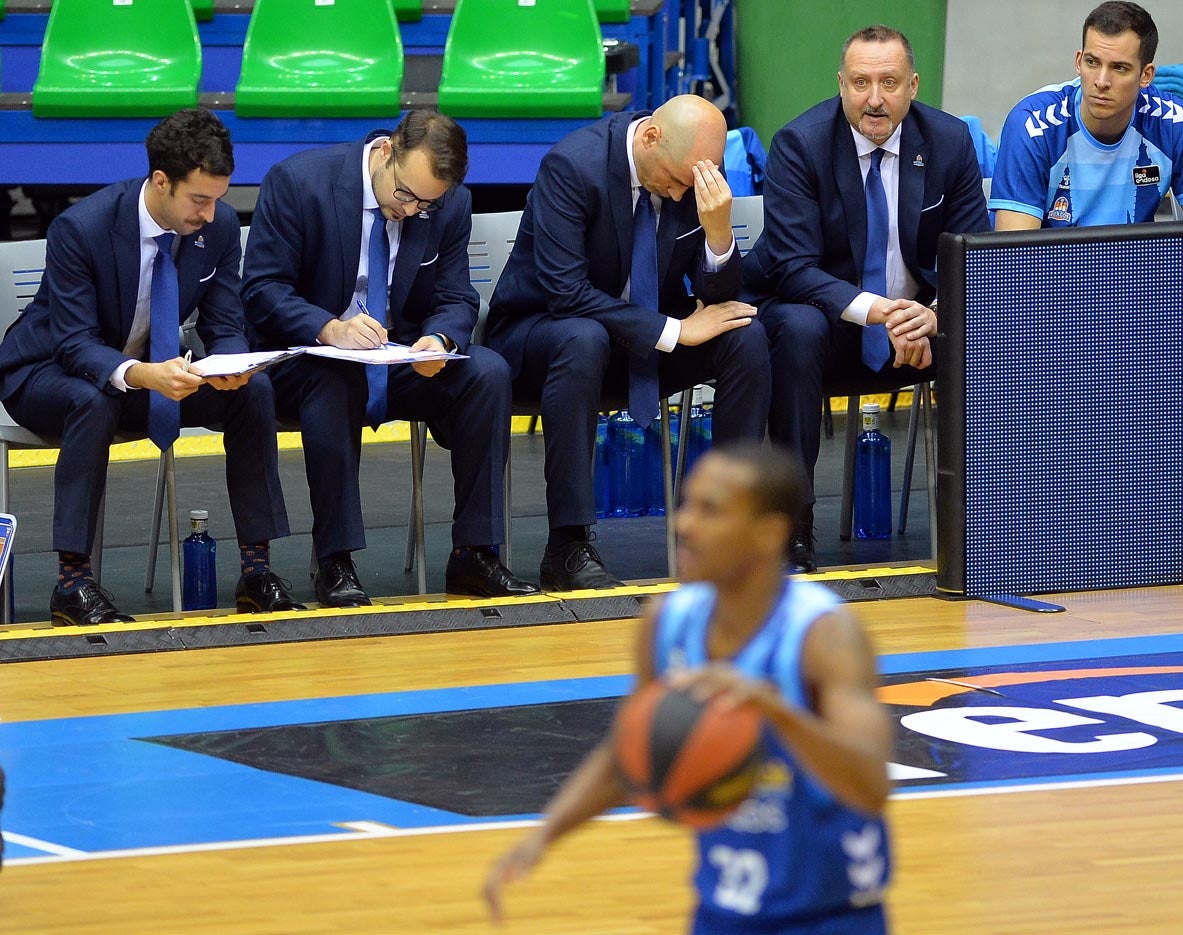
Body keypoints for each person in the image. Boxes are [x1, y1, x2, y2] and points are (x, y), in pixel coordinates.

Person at [484, 442, 894, 933]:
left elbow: (871, 786)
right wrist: (545, 834)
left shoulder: (823, 635)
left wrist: (775, 710)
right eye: (686, 506)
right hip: (720, 912)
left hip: (830, 917)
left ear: (769, 533)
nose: (685, 525)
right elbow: (629, 750)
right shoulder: (667, 622)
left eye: (710, 510)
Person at [0, 108, 303, 625]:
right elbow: (74, 343)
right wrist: (144, 374)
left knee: (255, 393)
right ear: (161, 181)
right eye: (199, 199)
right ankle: (71, 582)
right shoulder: (81, 227)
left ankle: (256, 570)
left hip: (146, 371)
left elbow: (225, 320)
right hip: (45, 370)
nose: (210, 214)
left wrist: (231, 364)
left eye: (219, 199)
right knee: (91, 401)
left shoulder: (221, 226)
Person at [242, 111, 538, 605]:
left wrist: (440, 340)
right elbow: (262, 289)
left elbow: (457, 296)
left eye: (426, 203)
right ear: (385, 153)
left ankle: (476, 552)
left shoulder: (448, 204)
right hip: (310, 357)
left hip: (395, 356)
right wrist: (329, 328)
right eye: (404, 194)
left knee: (487, 372)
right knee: (333, 380)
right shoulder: (299, 183)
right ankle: (335, 561)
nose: (411, 209)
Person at [486, 94, 771, 590]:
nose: (686, 195)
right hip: (541, 335)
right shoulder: (573, 167)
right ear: (650, 137)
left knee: (743, 334)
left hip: (632, 336)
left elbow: (717, 299)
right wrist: (676, 331)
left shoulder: (696, 177)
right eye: (680, 181)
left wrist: (719, 231)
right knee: (582, 337)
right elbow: (565, 292)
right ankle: (568, 544)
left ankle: (732, 529)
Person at [743, 25, 990, 573]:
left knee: (1004, 325)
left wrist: (933, 317)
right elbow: (792, 267)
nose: (874, 98)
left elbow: (976, 259)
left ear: (913, 86)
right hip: (827, 318)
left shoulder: (948, 142)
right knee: (796, 329)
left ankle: (998, 522)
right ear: (841, 84)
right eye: (860, 82)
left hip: (917, 324)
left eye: (888, 82)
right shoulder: (801, 144)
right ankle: (793, 528)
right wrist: (883, 313)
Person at [991, 2, 1183, 229]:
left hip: (1136, 263)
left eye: (1119, 68)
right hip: (1049, 264)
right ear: (1078, 62)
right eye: (1092, 62)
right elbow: (1015, 258)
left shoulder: (1173, 123)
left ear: (1146, 75)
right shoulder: (1031, 125)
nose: (1101, 82)